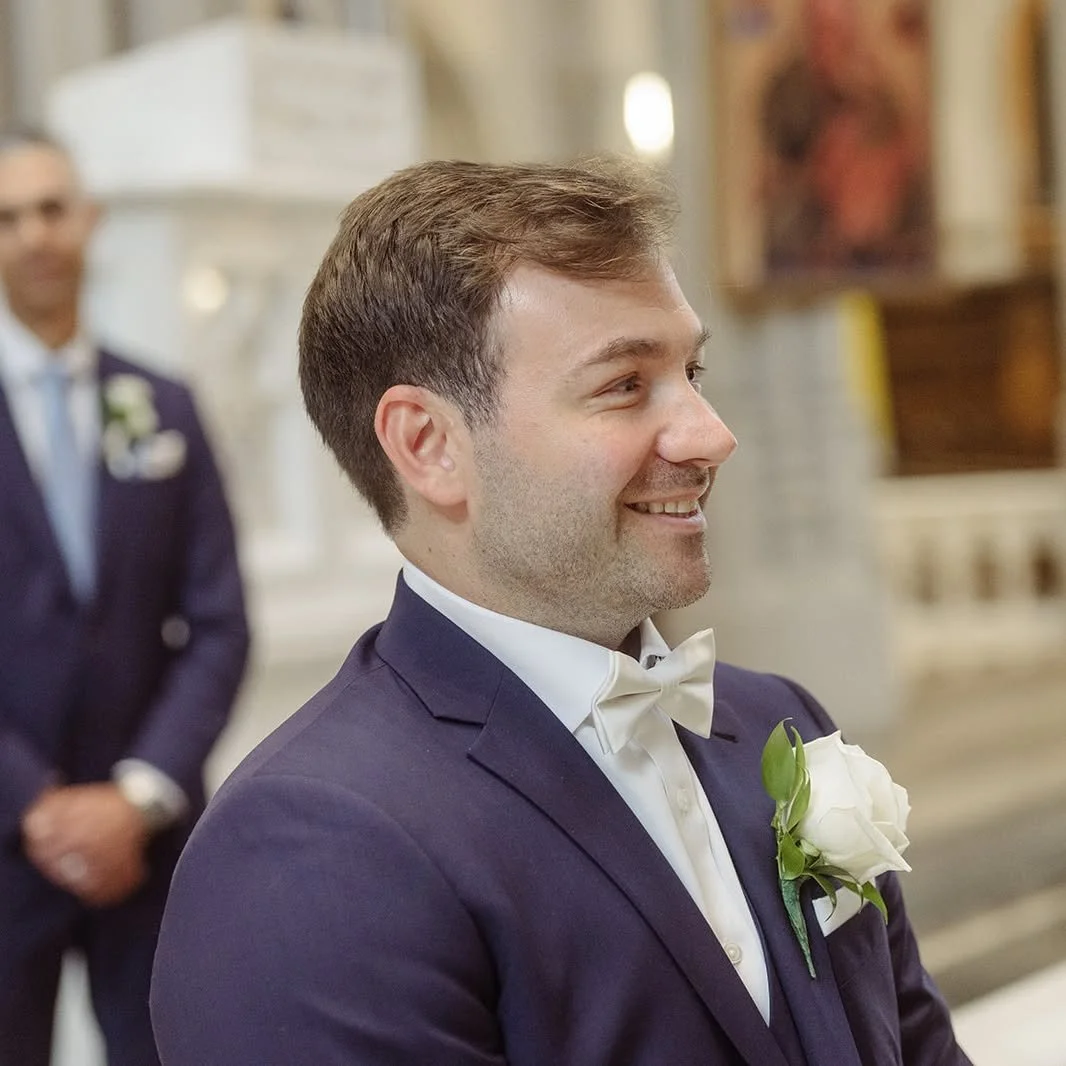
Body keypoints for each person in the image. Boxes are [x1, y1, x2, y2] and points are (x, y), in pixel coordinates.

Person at [150, 158, 970, 1065]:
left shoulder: (779, 724)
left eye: (691, 370)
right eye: (624, 384)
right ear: (428, 446)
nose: (712, 434)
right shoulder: (313, 851)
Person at [0, 126, 250, 1066]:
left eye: (51, 209)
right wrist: (32, 803)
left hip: (147, 841)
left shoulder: (163, 405)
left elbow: (219, 623)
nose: (34, 235)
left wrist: (137, 796)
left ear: (90, 220)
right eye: (8, 217)